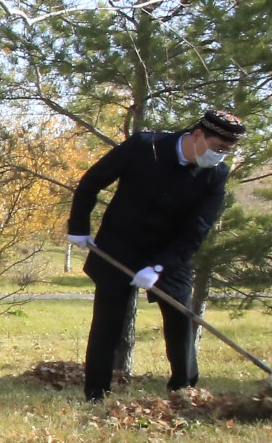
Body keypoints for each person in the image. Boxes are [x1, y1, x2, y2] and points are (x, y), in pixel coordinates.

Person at [66, 108, 243, 401]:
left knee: (180, 321)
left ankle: (184, 392)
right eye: (218, 148)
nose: (220, 156)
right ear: (198, 135)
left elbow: (197, 229)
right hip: (119, 246)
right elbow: (91, 181)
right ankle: (97, 393)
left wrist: (160, 266)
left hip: (170, 253)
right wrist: (79, 227)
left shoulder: (216, 175)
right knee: (107, 324)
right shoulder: (144, 147)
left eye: (227, 151)